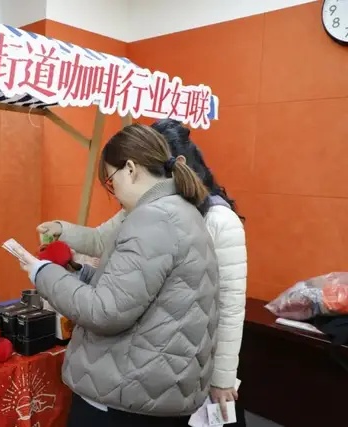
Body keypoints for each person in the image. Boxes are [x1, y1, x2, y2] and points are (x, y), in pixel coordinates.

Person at [38, 119, 247, 424]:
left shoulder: (212, 220)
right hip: (147, 365)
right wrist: (63, 231)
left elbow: (228, 306)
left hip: (172, 365)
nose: (114, 191)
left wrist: (222, 377)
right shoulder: (150, 209)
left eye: (112, 180)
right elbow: (102, 242)